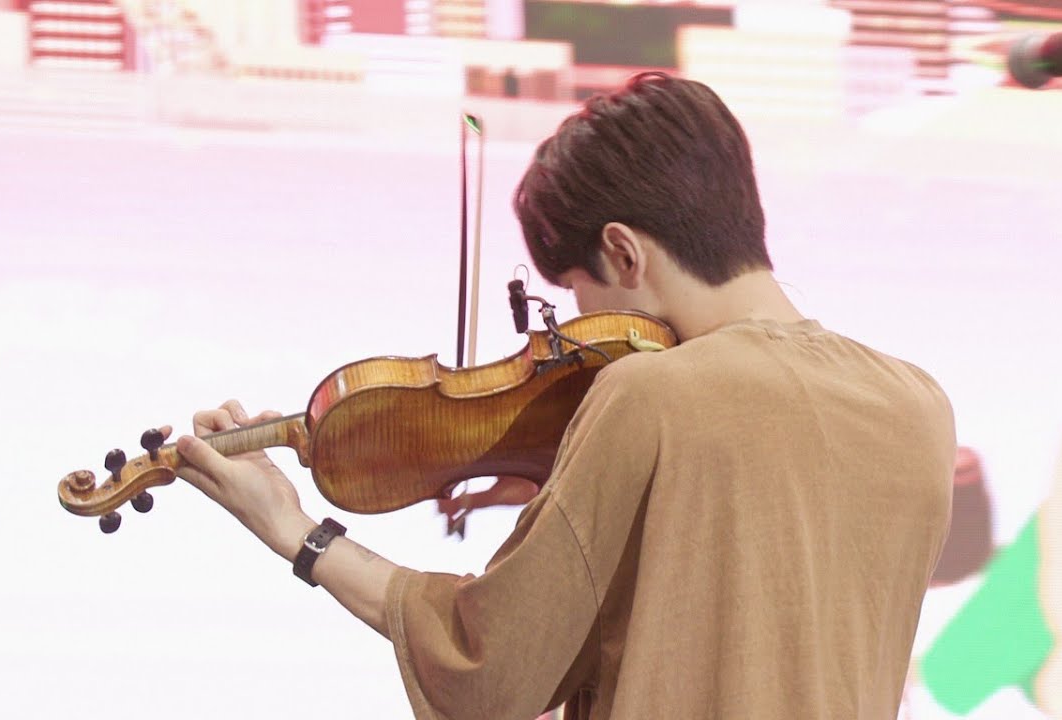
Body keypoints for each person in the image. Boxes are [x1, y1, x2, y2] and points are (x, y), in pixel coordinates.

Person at [168, 72, 957, 720]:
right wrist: (575, 490)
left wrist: (294, 529)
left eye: (575, 291)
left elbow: (489, 665)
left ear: (623, 250)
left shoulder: (647, 397)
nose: (573, 332)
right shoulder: (918, 408)